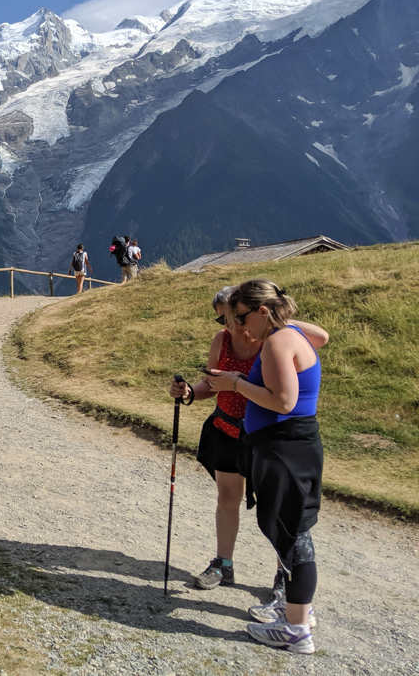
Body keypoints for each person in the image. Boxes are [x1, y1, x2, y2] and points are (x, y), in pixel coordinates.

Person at [169, 289, 328, 596]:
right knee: (228, 499)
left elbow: (320, 336)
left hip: (266, 439)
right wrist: (190, 392)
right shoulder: (222, 340)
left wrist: (276, 316)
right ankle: (223, 563)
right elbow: (211, 384)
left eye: (232, 315)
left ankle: (284, 574)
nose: (227, 322)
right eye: (221, 317)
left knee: (277, 509)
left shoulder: (274, 337)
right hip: (227, 429)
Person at [205, 280, 326, 655]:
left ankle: (296, 628)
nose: (240, 327)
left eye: (241, 316)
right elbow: (320, 337)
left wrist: (236, 384)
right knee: (291, 529)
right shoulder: (289, 333)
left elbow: (284, 401)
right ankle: (295, 609)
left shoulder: (276, 341)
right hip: (290, 445)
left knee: (290, 532)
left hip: (283, 446)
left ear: (261, 311)